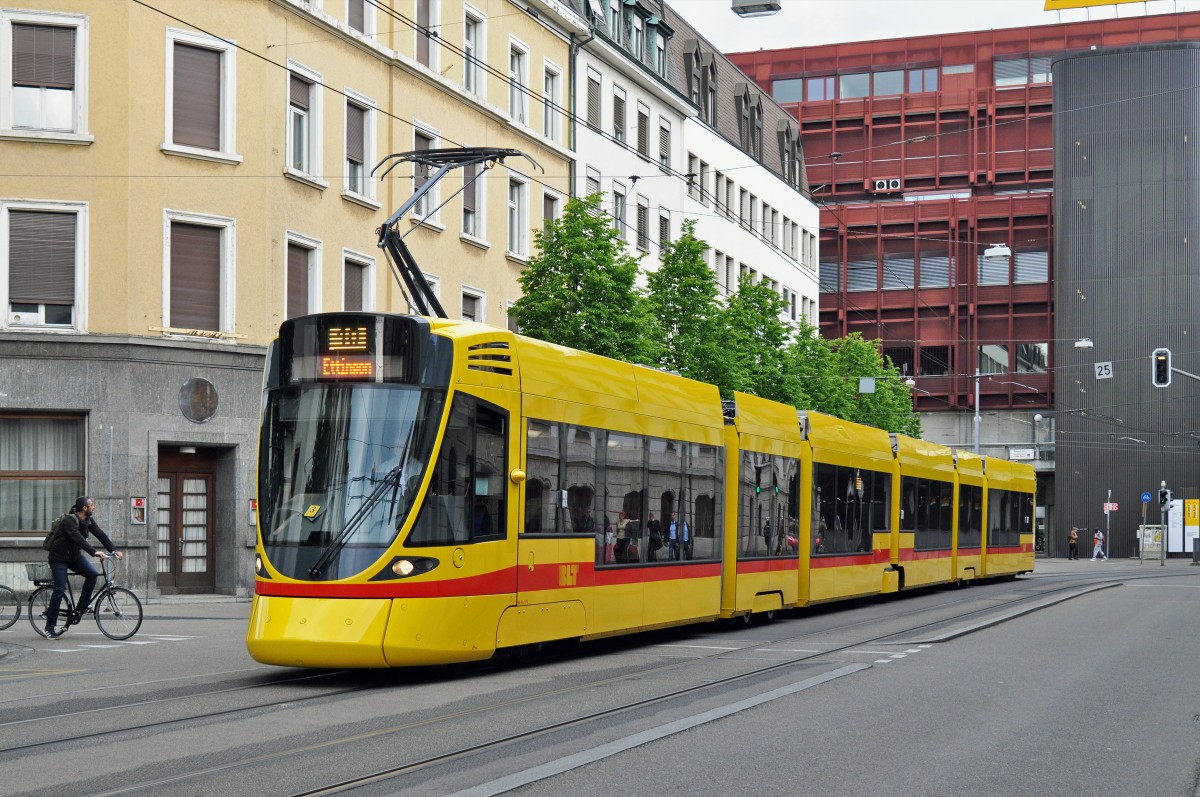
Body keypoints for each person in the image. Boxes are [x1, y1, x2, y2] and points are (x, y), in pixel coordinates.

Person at [44, 497, 123, 639]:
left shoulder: (88, 521)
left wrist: (114, 550)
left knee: (92, 574)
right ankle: (49, 627)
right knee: (60, 589)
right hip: (59, 559)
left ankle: (80, 609)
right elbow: (77, 538)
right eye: (91, 505)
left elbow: (100, 534)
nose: (94, 507)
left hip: (74, 558)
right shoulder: (68, 521)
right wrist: (94, 552)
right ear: (84, 508)